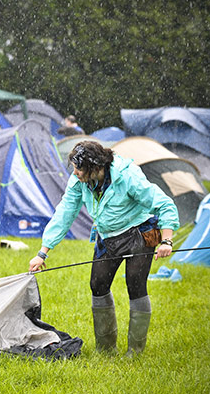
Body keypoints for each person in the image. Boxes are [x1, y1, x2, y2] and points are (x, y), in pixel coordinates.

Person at [28, 140, 178, 357]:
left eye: (79, 168)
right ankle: (105, 350)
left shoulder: (127, 177)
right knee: (97, 284)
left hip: (138, 234)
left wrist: (166, 240)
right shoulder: (79, 181)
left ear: (96, 167)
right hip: (107, 237)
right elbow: (64, 213)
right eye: (74, 168)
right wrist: (43, 252)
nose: (75, 173)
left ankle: (135, 352)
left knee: (135, 285)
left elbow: (164, 203)